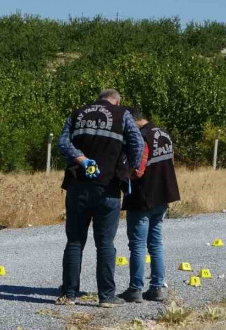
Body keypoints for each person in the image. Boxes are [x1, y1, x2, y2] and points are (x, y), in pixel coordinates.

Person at [57, 89, 144, 307]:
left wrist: (82, 158)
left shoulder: (77, 114)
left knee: (75, 241)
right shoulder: (122, 114)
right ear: (116, 101)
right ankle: (106, 296)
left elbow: (62, 143)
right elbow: (137, 143)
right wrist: (130, 170)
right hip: (108, 186)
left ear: (99, 99)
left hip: (78, 185)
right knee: (105, 243)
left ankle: (69, 294)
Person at [119, 112, 181, 302]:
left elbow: (139, 170)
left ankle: (135, 289)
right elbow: (170, 162)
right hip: (163, 195)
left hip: (143, 196)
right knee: (155, 244)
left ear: (133, 120)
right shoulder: (163, 134)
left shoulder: (141, 136)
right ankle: (156, 288)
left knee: (137, 244)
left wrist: (123, 173)